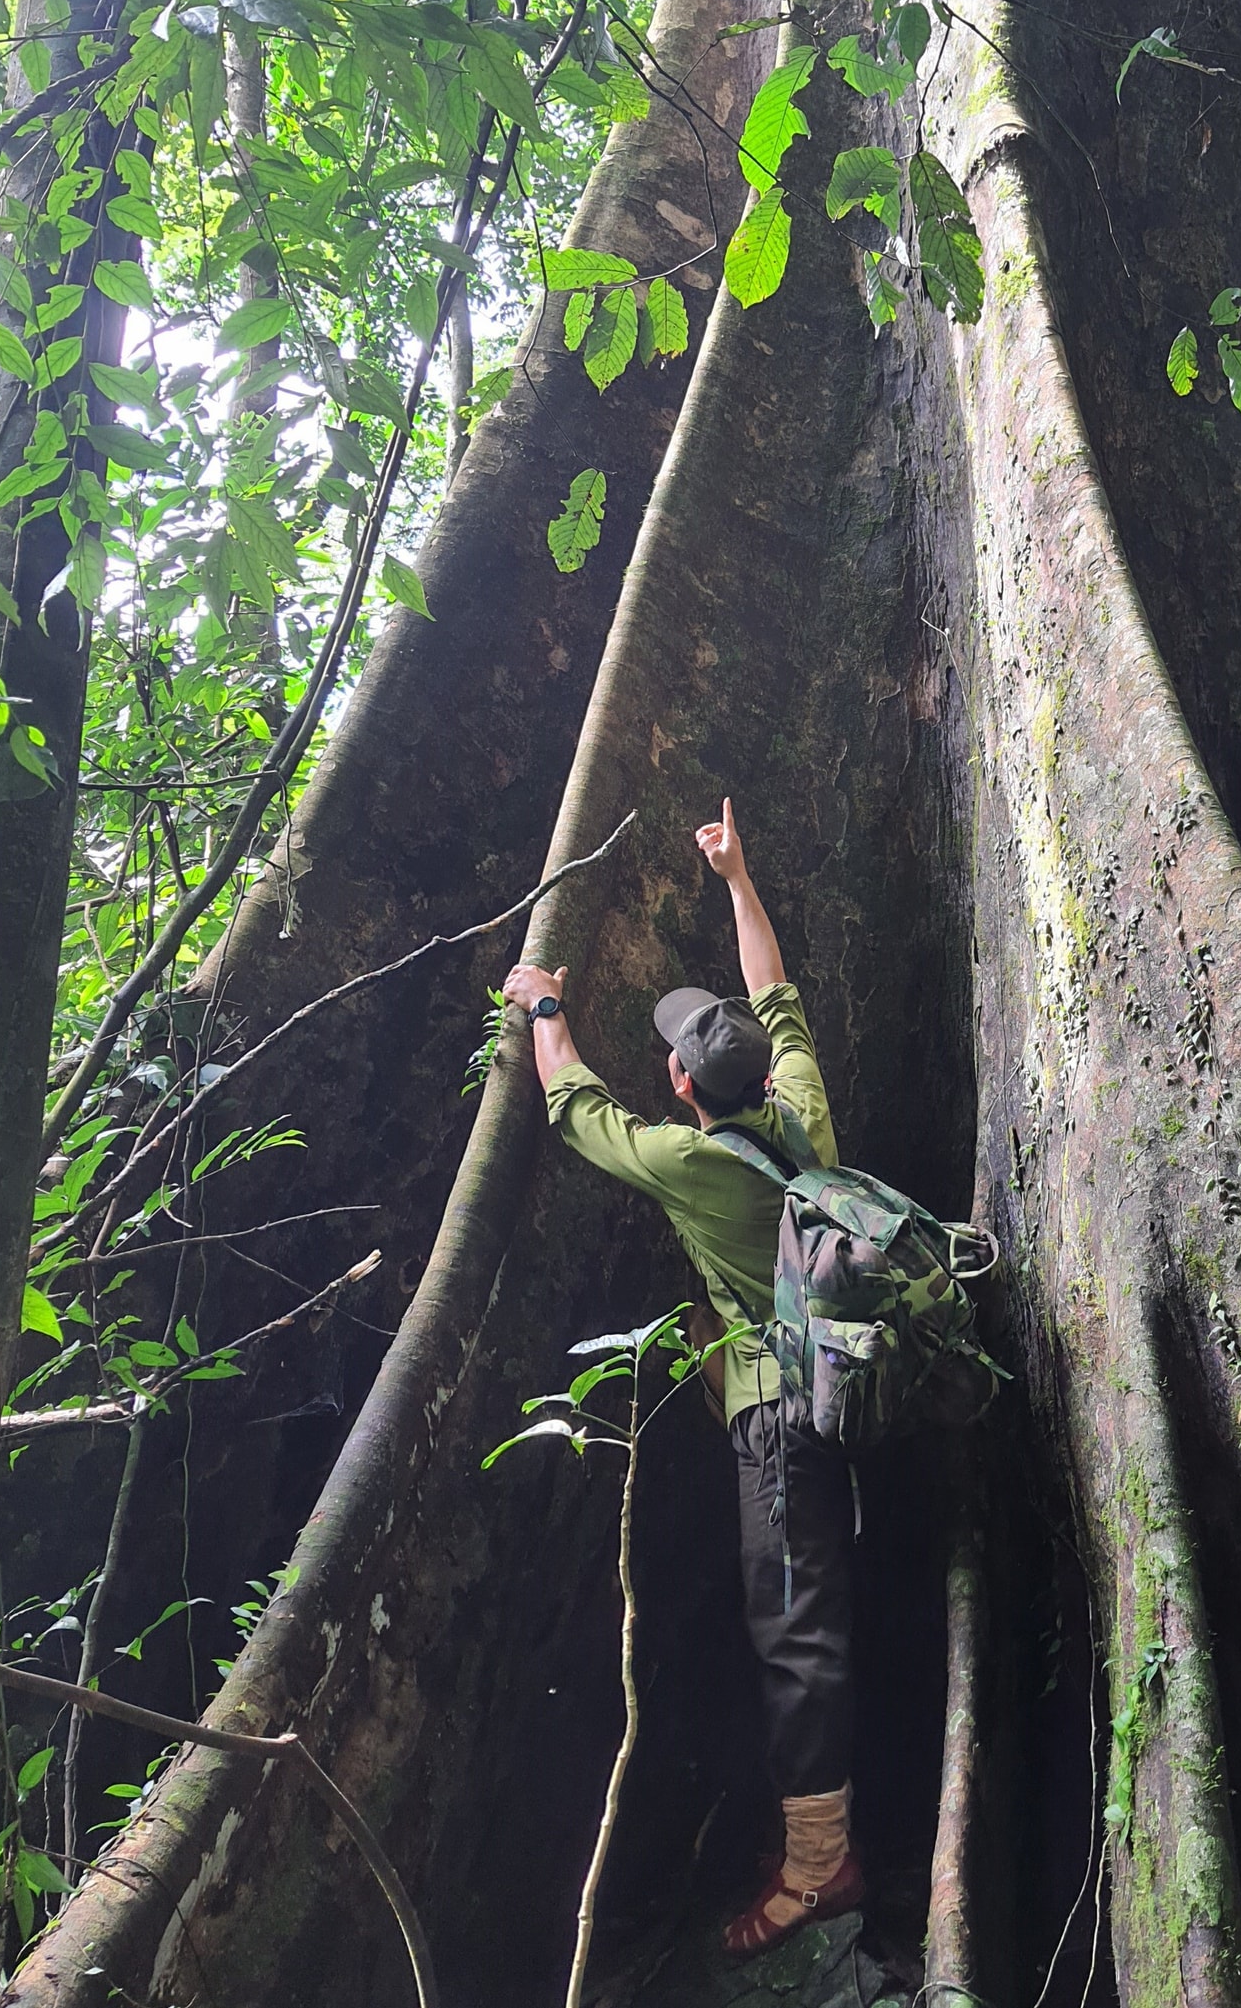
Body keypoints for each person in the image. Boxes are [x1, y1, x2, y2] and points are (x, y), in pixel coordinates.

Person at [503, 799, 862, 1960]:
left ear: (682, 1081)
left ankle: (821, 1865)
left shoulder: (688, 1161)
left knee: (794, 1629)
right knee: (798, 1615)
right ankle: (813, 1830)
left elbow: (575, 1106)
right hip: (837, 1394)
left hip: (780, 1422)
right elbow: (779, 994)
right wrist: (737, 879)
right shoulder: (801, 1114)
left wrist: (544, 1005)